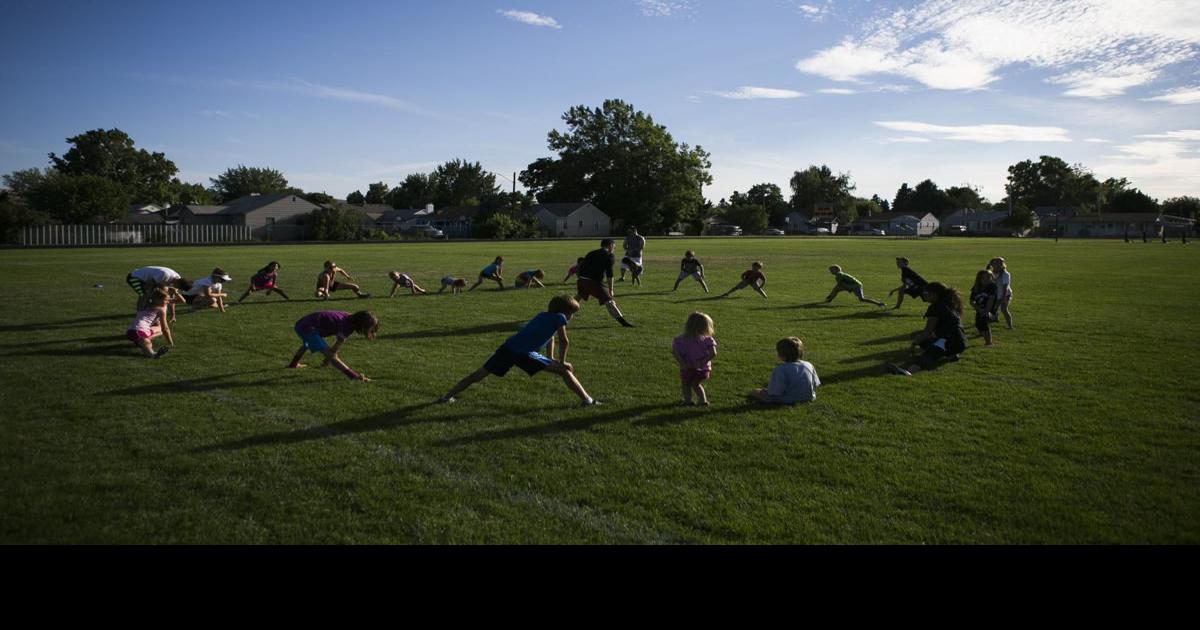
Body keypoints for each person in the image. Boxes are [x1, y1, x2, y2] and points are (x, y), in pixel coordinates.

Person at [438, 295, 601, 406]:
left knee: (479, 374)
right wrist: (563, 362)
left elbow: (550, 337)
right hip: (524, 354)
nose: (572, 317)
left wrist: (551, 358)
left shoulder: (542, 315)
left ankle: (447, 396)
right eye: (573, 313)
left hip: (507, 348)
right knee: (565, 371)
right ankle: (588, 401)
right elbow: (564, 341)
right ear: (567, 312)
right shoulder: (560, 318)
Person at [886, 282, 968, 376]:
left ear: (934, 294)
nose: (924, 296)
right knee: (921, 338)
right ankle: (952, 356)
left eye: (926, 294)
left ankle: (909, 372)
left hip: (951, 340)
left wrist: (914, 343)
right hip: (961, 340)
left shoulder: (936, 307)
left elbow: (928, 331)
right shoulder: (948, 304)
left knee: (928, 352)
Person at [286, 310, 377, 381]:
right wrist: (329, 357)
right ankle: (354, 377)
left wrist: (328, 358)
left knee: (308, 343)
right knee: (331, 355)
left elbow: (336, 346)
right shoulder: (346, 326)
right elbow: (334, 351)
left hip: (303, 323)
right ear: (361, 324)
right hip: (307, 327)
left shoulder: (348, 318)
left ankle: (293, 364)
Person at [574, 239, 635, 327]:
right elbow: (609, 274)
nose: (614, 248)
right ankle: (623, 323)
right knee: (609, 301)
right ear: (610, 245)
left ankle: (562, 312)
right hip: (593, 282)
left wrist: (580, 278)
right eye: (614, 246)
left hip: (582, 280)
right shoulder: (609, 256)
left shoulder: (591, 253)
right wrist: (611, 289)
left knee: (578, 296)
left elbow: (580, 266)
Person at [750, 337, 820, 404]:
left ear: (781, 355)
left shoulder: (781, 369)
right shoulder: (809, 365)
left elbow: (774, 392)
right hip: (809, 397)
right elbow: (816, 383)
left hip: (787, 400)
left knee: (756, 392)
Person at [672, 312, 717, 406]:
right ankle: (703, 401)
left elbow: (675, 353)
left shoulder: (680, 340)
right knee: (696, 384)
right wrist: (702, 362)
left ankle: (688, 401)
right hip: (703, 369)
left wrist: (683, 363)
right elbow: (713, 353)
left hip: (687, 368)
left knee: (686, 384)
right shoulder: (708, 339)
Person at [127, 265, 191, 319]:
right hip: (135, 277)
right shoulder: (164, 276)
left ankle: (146, 312)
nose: (177, 288)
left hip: (147, 280)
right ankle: (140, 314)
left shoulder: (177, 280)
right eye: (179, 287)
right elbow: (150, 287)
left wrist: (173, 315)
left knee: (158, 296)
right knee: (144, 295)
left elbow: (171, 298)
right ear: (179, 283)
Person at [125, 287, 174, 359]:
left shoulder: (144, 306)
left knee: (157, 331)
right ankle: (152, 354)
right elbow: (165, 328)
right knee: (147, 342)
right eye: (166, 300)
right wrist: (170, 343)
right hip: (140, 331)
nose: (167, 302)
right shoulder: (160, 310)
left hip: (130, 331)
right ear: (157, 300)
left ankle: (142, 343)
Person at [970, 269, 997, 346]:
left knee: (984, 325)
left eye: (989, 277)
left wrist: (987, 311)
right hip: (980, 309)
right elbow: (971, 301)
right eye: (984, 278)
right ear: (979, 279)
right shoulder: (976, 287)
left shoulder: (992, 286)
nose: (987, 279)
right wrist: (978, 309)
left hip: (989, 309)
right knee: (978, 324)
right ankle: (983, 334)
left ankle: (989, 342)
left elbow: (991, 299)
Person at [988, 257, 1014, 330]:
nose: (998, 265)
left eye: (1000, 263)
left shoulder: (1005, 274)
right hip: (996, 293)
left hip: (1005, 294)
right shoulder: (990, 272)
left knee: (1004, 309)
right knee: (993, 307)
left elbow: (1005, 287)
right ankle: (995, 318)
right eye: (995, 263)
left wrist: (1003, 298)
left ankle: (1010, 326)